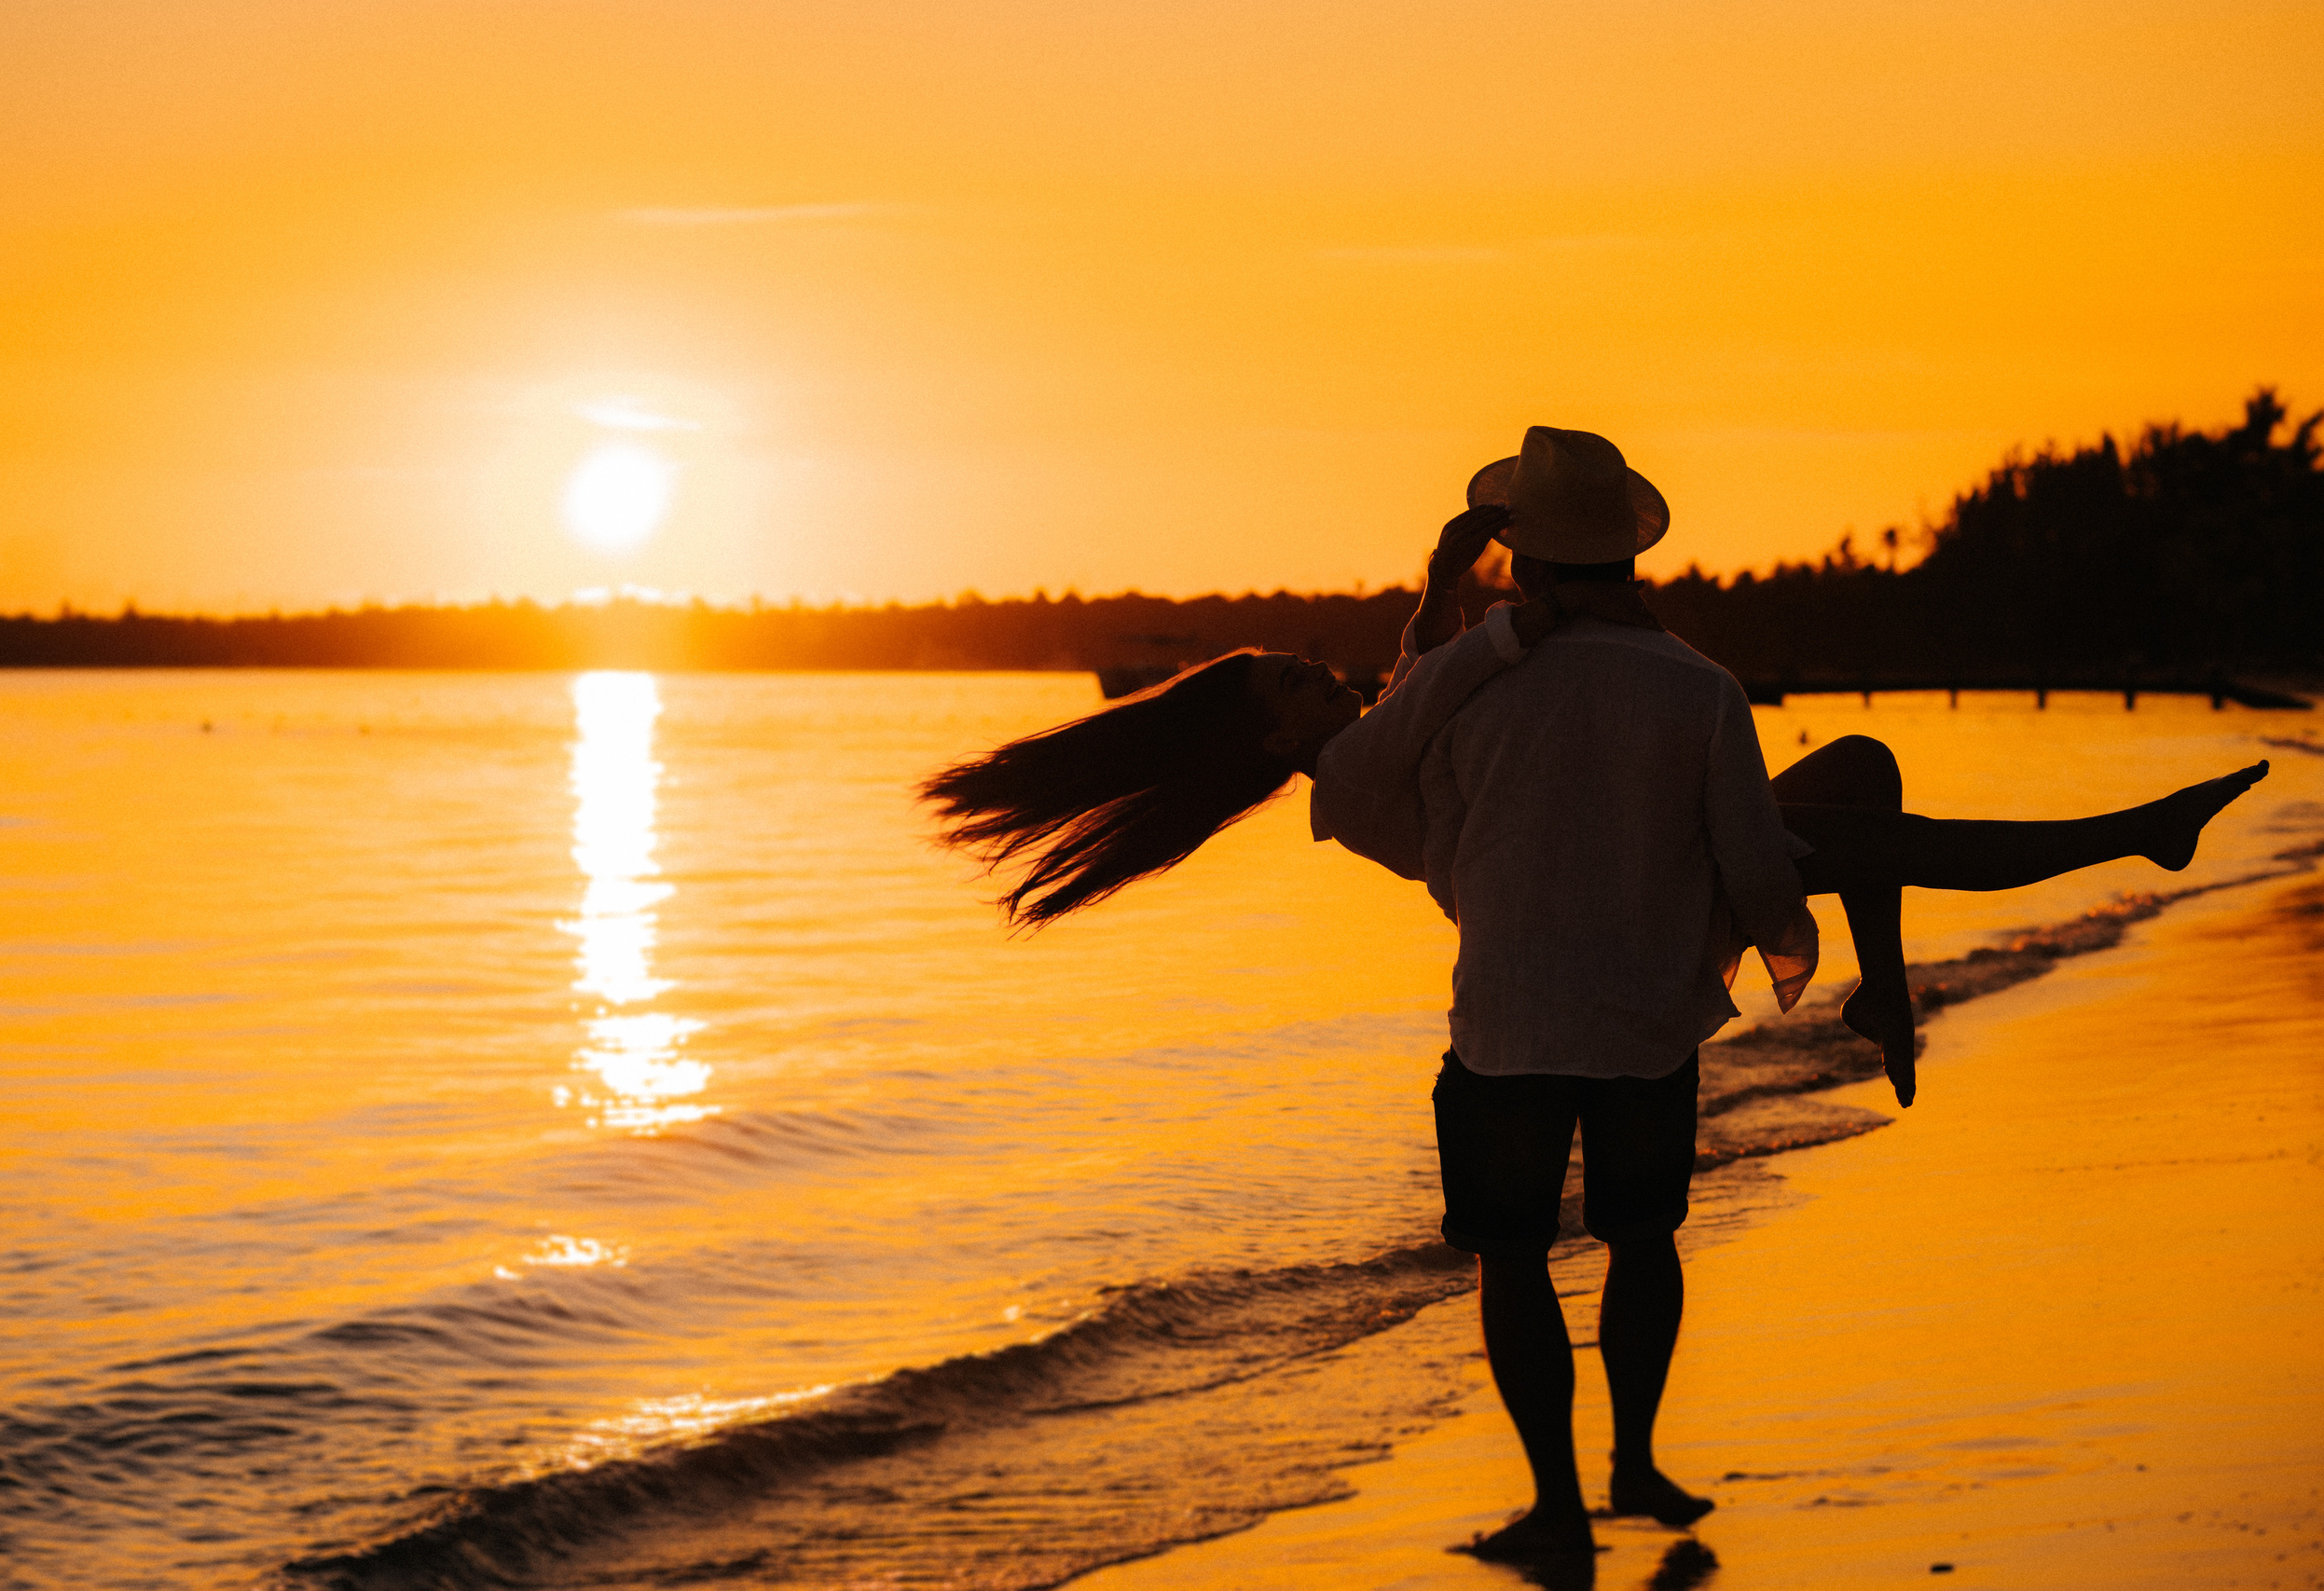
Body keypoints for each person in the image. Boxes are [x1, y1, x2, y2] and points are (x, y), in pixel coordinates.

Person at [920, 428, 2267, 1557]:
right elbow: (1422, 693)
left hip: (1530, 1010)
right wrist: (1754, 915)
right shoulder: (1365, 774)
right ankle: (2095, 855)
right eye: (1290, 679)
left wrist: (1464, 587)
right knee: (1839, 855)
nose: (1316, 670)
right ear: (1275, 737)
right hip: (1624, 986)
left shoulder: (1419, 715)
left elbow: (1415, 676)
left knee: (1851, 795)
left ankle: (1587, 1487)